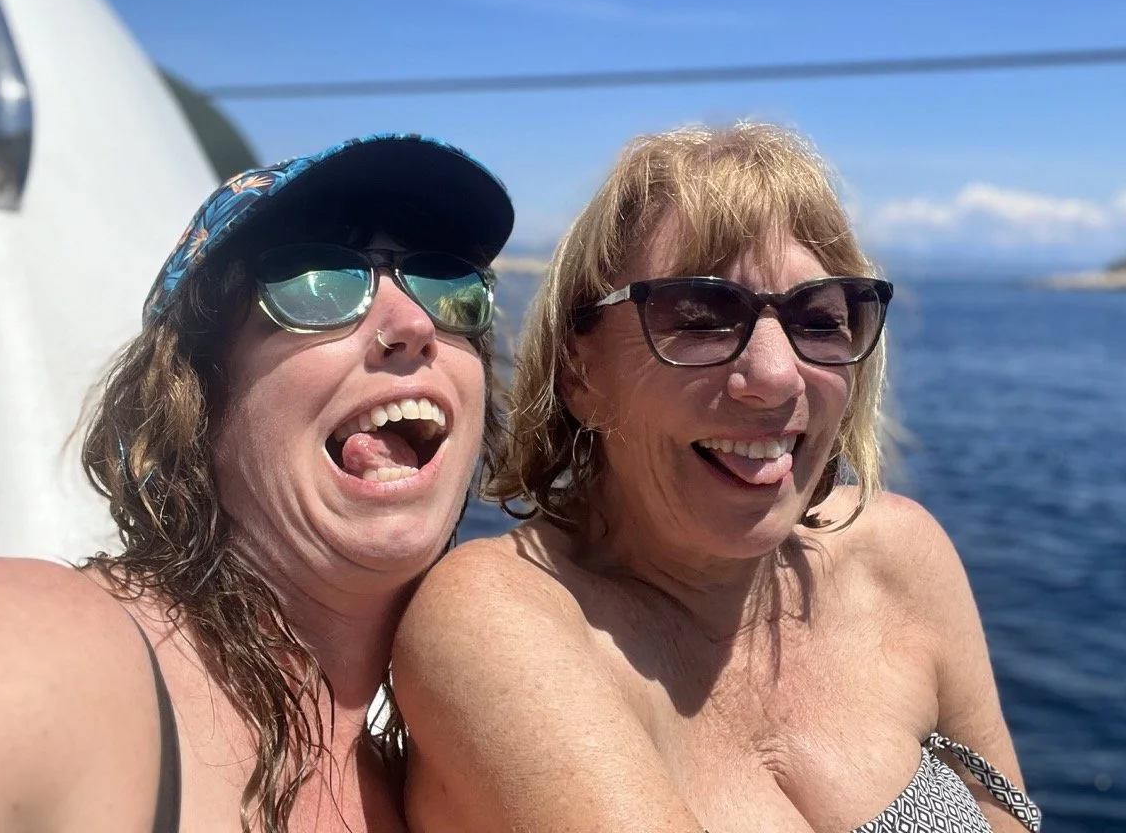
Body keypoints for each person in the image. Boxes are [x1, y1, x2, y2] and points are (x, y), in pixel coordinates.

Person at [393, 123, 1042, 833]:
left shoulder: (901, 557)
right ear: (581, 374)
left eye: (819, 320)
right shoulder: (505, 619)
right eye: (699, 318)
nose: (773, 376)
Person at [0, 134, 513, 833]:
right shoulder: (40, 651)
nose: (413, 323)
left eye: (448, 285)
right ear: (197, 397)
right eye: (318, 282)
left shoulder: (453, 784)